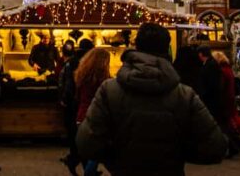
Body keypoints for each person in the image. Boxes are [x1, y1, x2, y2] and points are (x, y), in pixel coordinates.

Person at [77, 22, 226, 176]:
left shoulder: (109, 91)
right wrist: (178, 153)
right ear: (166, 49)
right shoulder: (184, 95)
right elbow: (216, 147)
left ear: (136, 46)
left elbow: (86, 143)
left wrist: (115, 158)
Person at [59, 38, 95, 175]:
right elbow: (71, 83)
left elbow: (68, 83)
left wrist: (65, 99)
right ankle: (80, 163)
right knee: (83, 136)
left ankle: (77, 161)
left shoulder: (72, 62)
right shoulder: (86, 63)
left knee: (76, 135)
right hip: (79, 103)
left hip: (74, 103)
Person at [75, 47, 112, 176]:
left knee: (87, 151)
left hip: (81, 115)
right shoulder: (103, 80)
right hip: (95, 117)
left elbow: (78, 97)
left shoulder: (81, 76)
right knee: (96, 153)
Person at [212, 51, 240, 157]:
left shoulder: (222, 71)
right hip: (229, 99)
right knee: (227, 125)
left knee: (225, 126)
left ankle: (234, 145)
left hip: (225, 101)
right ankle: (235, 143)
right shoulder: (228, 69)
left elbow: (220, 87)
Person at [196, 45, 222, 123]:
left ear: (201, 54)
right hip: (211, 98)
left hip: (210, 99)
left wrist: (203, 94)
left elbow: (211, 83)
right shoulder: (211, 63)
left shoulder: (210, 65)